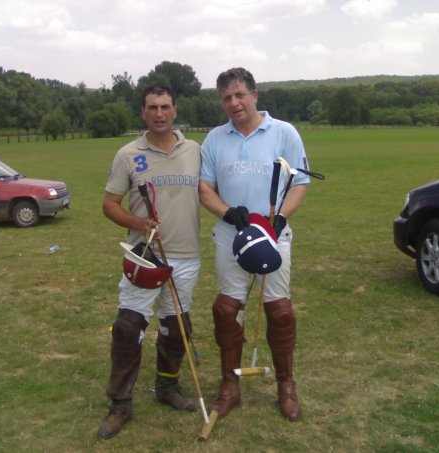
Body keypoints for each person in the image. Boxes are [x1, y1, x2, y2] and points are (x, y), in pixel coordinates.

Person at [199, 67, 310, 422]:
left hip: (273, 235)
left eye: (240, 95)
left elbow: (300, 183)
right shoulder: (215, 138)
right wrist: (228, 212)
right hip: (231, 235)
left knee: (280, 312)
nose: (234, 103)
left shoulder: (284, 132)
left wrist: (281, 218)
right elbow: (205, 188)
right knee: (226, 310)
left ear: (255, 95)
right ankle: (229, 387)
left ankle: (286, 386)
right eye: (226, 98)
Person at [98, 83, 201, 440]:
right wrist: (138, 223)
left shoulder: (194, 150)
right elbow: (109, 205)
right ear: (143, 112)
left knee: (176, 326)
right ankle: (120, 403)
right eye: (152, 107)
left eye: (165, 106)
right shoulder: (128, 154)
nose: (159, 113)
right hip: (144, 256)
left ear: (175, 110)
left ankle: (167, 387)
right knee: (128, 327)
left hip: (186, 254)